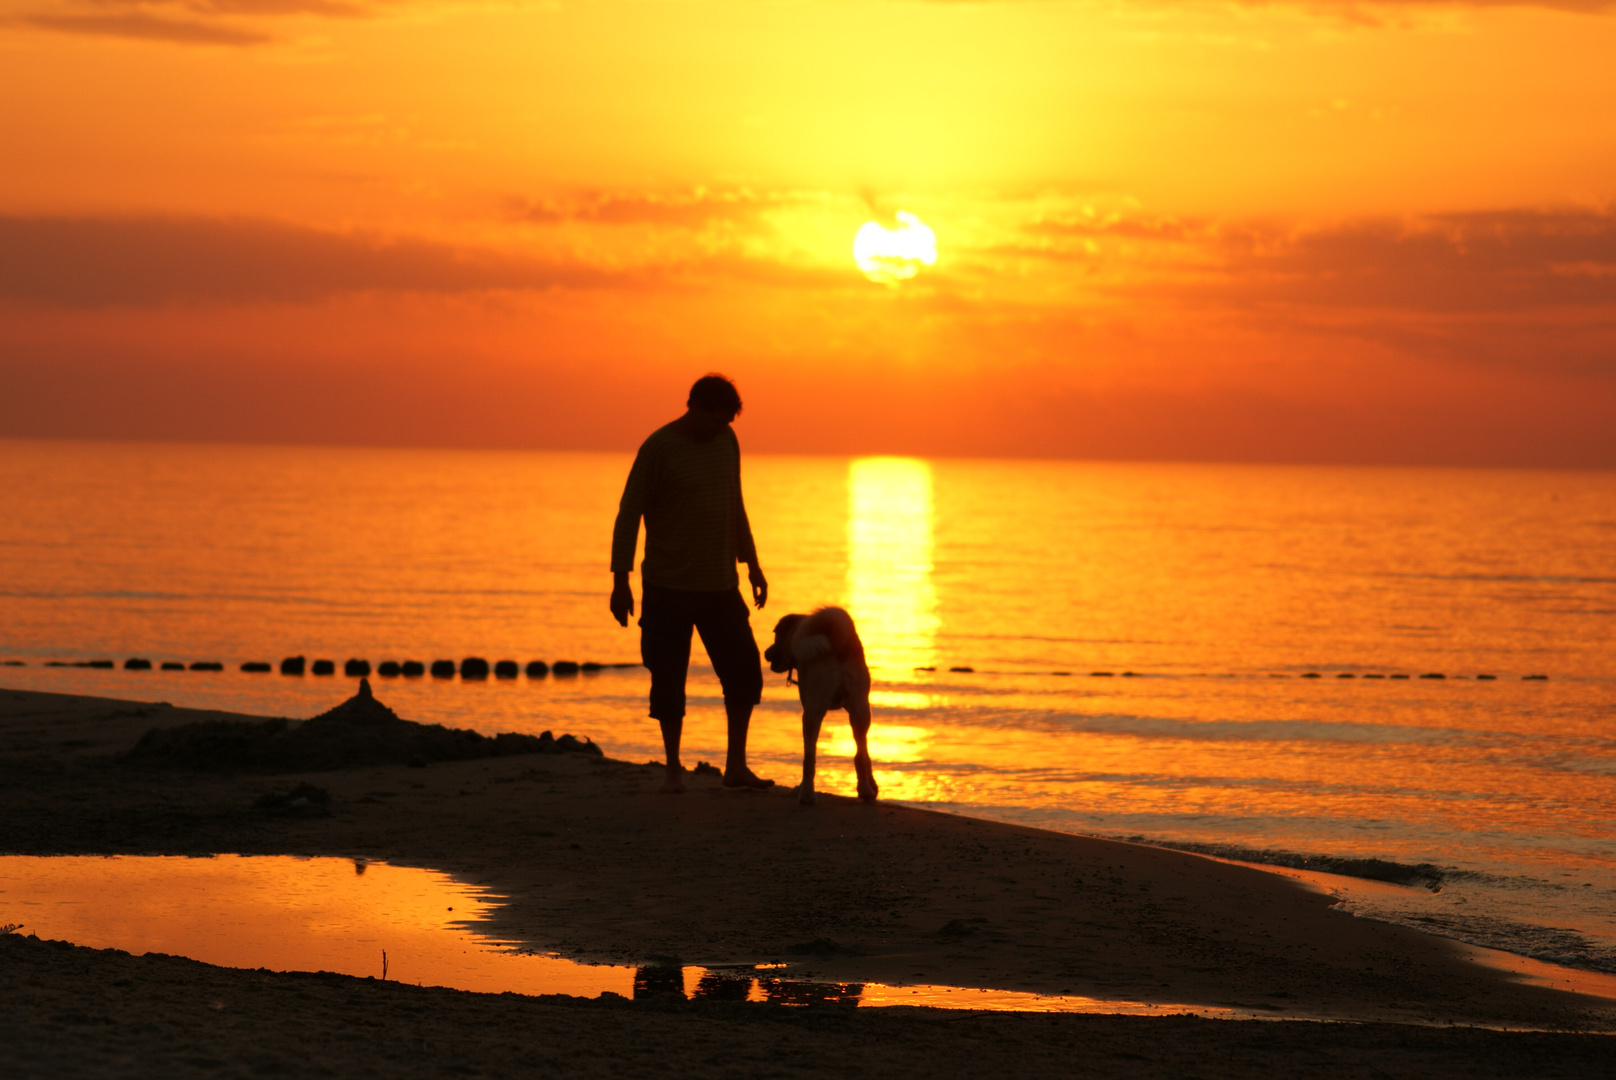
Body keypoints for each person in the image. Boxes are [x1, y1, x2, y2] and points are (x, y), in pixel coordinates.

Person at [610, 374, 772, 793]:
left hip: (720, 584)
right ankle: (672, 769)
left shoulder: (727, 442)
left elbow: (734, 503)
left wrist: (752, 563)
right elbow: (629, 514)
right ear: (695, 407)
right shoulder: (659, 448)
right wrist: (620, 580)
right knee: (667, 678)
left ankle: (736, 766)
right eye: (716, 421)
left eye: (727, 422)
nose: (722, 429)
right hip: (668, 586)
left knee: (744, 672)